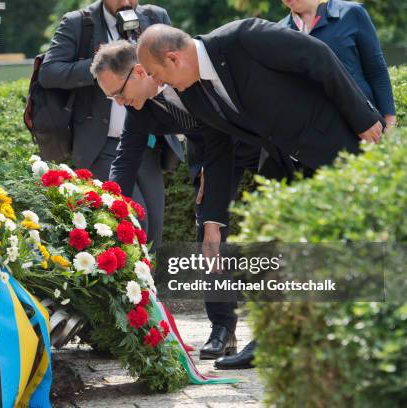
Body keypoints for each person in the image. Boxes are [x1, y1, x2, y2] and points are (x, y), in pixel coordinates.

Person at [137, 20, 384, 369]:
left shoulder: (244, 38)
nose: (158, 83)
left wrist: (362, 116)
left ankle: (374, 337)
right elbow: (218, 151)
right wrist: (213, 220)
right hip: (283, 166)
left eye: (156, 73)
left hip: (332, 143)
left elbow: (318, 56)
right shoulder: (192, 92)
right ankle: (271, 341)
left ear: (174, 58)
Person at [91, 40, 268, 362]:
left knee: (272, 226)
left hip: (258, 141)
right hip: (212, 155)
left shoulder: (186, 74)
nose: (118, 103)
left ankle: (275, 332)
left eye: (117, 92)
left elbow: (223, 130)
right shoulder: (139, 105)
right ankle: (223, 328)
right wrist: (108, 204)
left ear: (140, 71)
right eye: (110, 98)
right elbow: (126, 157)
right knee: (208, 235)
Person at [38, 0, 181, 250]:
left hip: (146, 143)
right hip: (101, 144)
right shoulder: (78, 23)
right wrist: (103, 65)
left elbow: (176, 66)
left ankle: (152, 288)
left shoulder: (156, 17)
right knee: (135, 222)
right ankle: (132, 287)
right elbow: (49, 72)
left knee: (155, 228)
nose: (127, 3)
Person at [279, 0, 397, 129]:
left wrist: (390, 123)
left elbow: (376, 70)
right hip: (313, 133)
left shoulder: (352, 13)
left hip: (365, 126)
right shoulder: (280, 31)